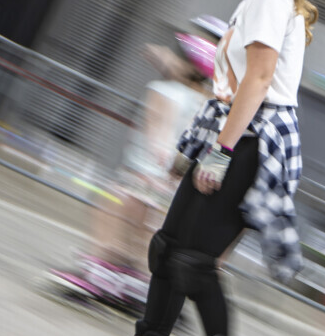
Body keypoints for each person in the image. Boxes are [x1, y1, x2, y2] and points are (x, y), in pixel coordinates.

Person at [66, 0, 325, 336]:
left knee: (195, 262)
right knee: (167, 249)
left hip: (249, 139)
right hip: (235, 130)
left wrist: (220, 152)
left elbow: (258, 80)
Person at [49, 24, 220, 316]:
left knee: (108, 212)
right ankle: (135, 284)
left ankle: (98, 275)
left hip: (144, 174)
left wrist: (158, 162)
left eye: (177, 55)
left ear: (184, 64)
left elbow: (159, 132)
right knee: (144, 233)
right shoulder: (205, 103)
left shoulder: (162, 90)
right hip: (172, 183)